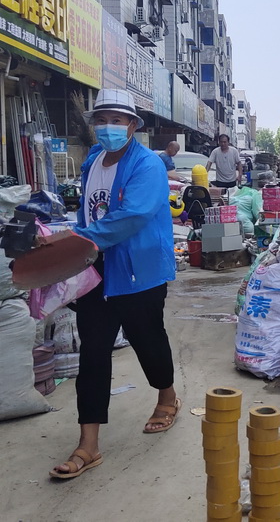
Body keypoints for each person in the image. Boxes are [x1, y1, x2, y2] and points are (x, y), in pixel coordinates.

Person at [50, 89, 179, 480]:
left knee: (147, 339)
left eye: (117, 120)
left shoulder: (148, 165)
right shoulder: (93, 161)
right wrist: (69, 240)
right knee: (93, 351)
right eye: (102, 119)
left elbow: (132, 215)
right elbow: (89, 210)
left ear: (133, 126)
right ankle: (88, 445)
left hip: (139, 270)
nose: (108, 126)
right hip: (97, 268)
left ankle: (167, 396)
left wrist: (78, 241)